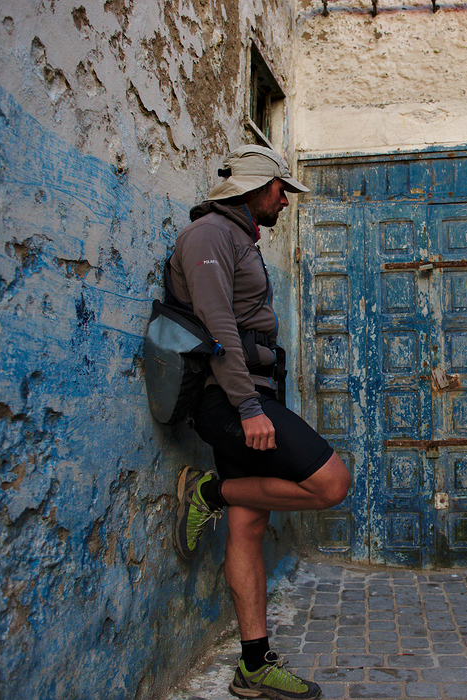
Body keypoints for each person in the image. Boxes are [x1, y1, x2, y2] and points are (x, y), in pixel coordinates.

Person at [168, 145, 350, 700]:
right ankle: (209, 491)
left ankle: (252, 666)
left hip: (246, 395)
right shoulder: (209, 237)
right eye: (279, 191)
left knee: (249, 528)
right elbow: (217, 322)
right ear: (253, 187)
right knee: (331, 483)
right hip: (228, 401)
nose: (283, 202)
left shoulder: (238, 238)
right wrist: (249, 409)